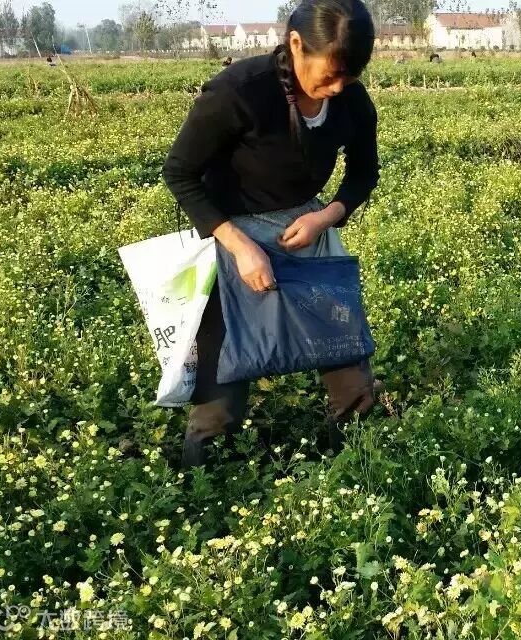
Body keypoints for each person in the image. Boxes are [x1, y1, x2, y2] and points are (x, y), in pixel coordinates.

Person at [163, 0, 380, 469]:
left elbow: (364, 172)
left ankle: (357, 469)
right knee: (220, 393)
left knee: (351, 372)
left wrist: (325, 217)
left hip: (306, 232)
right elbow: (179, 173)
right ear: (296, 43)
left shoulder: (351, 99)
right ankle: (202, 486)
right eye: (330, 75)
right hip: (229, 238)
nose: (337, 88)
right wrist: (240, 246)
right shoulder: (239, 91)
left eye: (349, 77)